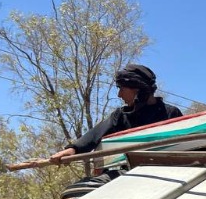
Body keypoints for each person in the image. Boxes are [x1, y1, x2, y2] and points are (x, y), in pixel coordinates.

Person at [48, 64, 183, 164]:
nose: (119, 95)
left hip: (165, 172)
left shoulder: (171, 114)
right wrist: (73, 150)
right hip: (126, 172)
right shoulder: (121, 116)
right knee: (78, 191)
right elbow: (95, 135)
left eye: (121, 89)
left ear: (137, 89)